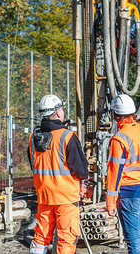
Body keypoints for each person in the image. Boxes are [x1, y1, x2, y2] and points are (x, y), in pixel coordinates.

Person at [28, 95, 89, 254]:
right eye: (61, 109)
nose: (62, 112)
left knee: (40, 237)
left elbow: (35, 165)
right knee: (66, 239)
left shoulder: (33, 139)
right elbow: (81, 170)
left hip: (44, 197)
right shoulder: (68, 136)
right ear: (57, 113)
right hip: (66, 198)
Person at [104, 94, 140, 254]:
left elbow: (114, 173)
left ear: (116, 116)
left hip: (129, 194)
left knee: (133, 239)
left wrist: (110, 203)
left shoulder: (119, 139)